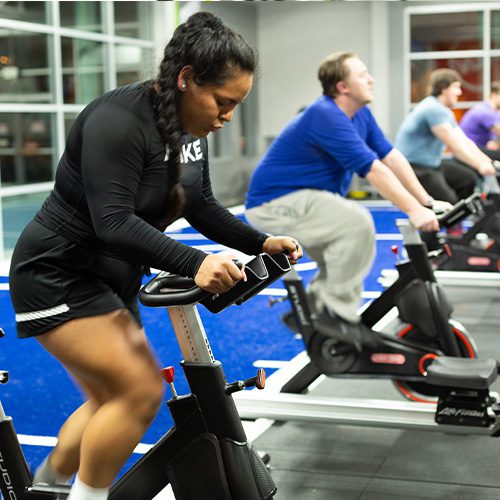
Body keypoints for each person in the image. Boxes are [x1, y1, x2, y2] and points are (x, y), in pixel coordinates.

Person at [8, 12, 301, 500]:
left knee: (110, 398)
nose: (227, 116)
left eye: (236, 105)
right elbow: (114, 221)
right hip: (59, 272)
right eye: (222, 102)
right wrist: (195, 262)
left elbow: (201, 205)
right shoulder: (118, 122)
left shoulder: (188, 130)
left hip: (112, 275)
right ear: (186, 79)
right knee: (139, 393)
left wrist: (258, 242)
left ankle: (48, 484)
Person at [245, 51, 448, 336]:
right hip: (275, 203)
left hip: (305, 200)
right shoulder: (325, 114)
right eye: (363, 75)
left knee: (342, 255)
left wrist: (426, 201)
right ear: (343, 87)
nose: (372, 79)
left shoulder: (360, 114)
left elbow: (391, 157)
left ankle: (310, 312)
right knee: (356, 224)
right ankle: (337, 319)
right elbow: (374, 170)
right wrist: (414, 211)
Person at [395, 68, 496, 205]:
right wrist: (480, 166)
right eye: (456, 87)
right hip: (415, 167)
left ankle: (454, 219)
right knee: (450, 203)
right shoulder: (432, 109)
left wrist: (489, 162)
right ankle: (447, 219)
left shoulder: (444, 111)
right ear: (444, 88)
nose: (459, 92)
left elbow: (464, 141)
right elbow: (455, 146)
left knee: (467, 179)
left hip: (432, 164)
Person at [460, 81, 500, 161]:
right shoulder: (484, 111)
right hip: (469, 150)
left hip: (478, 147)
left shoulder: (494, 111)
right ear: (494, 95)